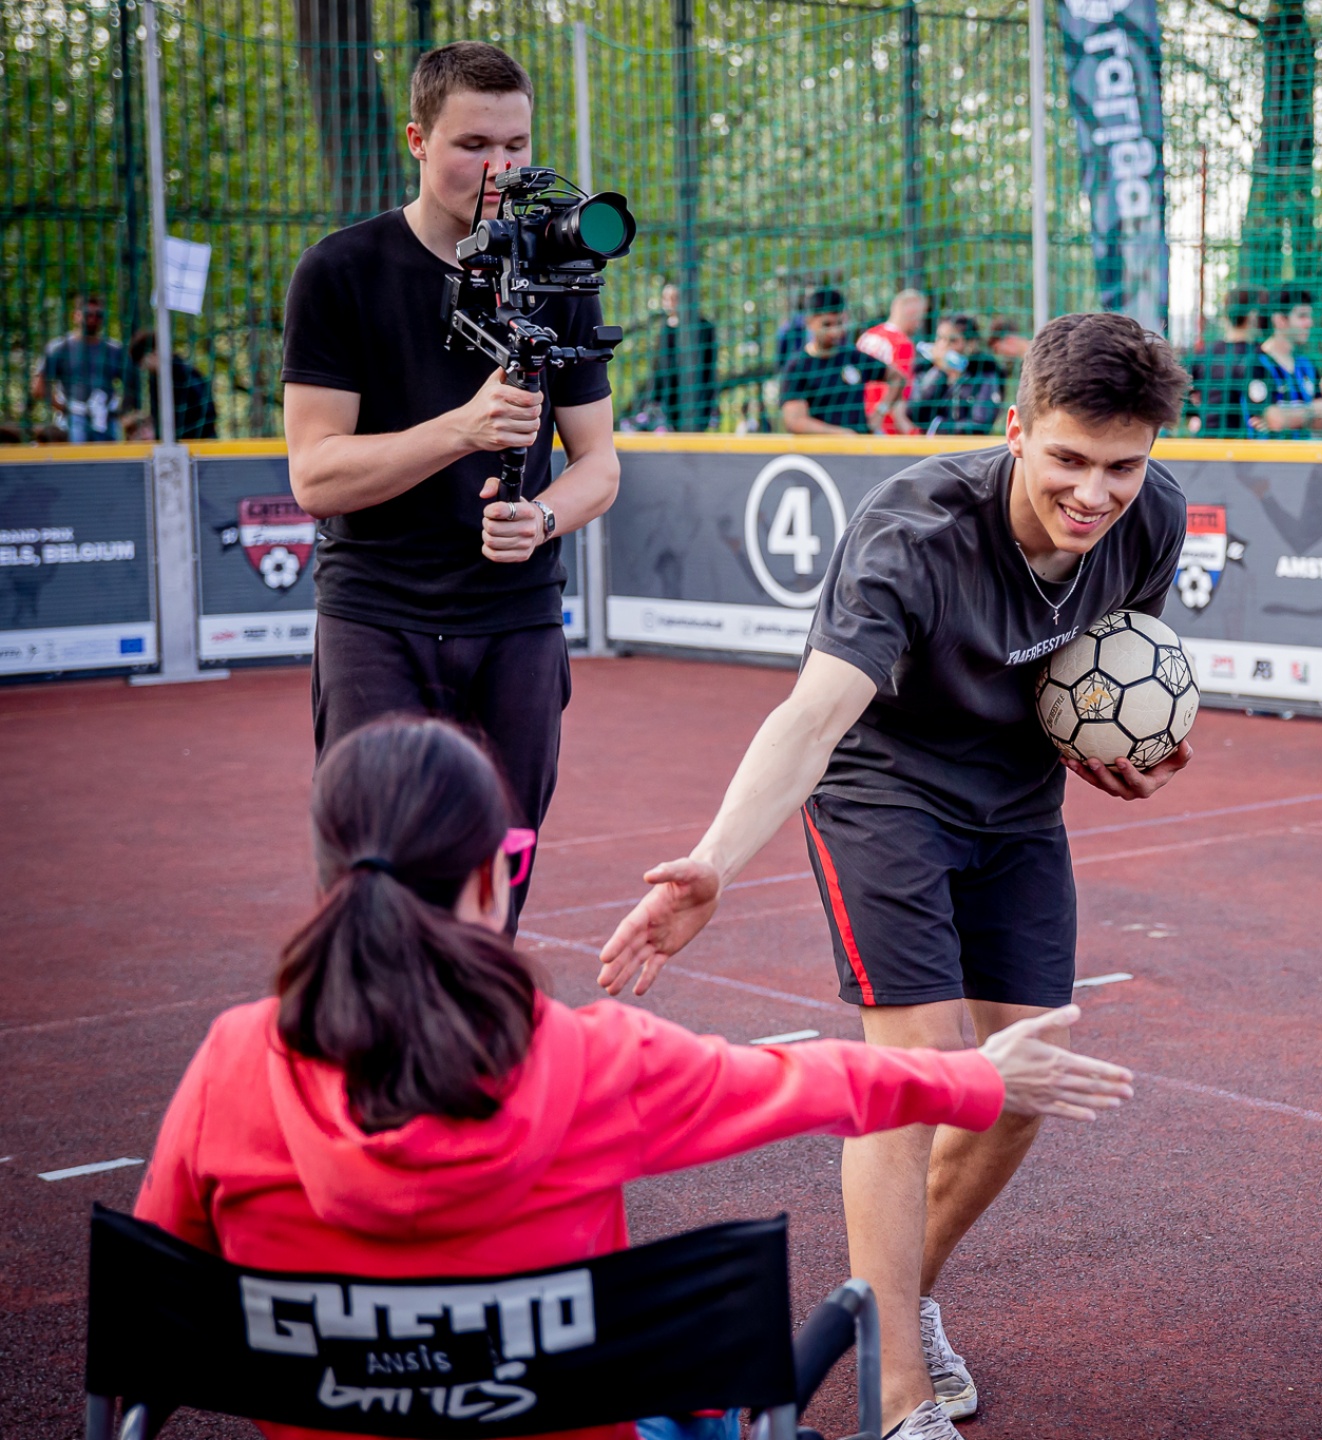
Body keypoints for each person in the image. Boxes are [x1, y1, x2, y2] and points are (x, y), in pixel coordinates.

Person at [135, 715, 1134, 1440]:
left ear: (332, 879)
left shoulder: (232, 1061)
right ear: (490, 880)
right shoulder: (590, 1061)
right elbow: (811, 1080)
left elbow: (151, 1313)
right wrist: (977, 1078)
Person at [597, 314, 1192, 1440]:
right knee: (918, 1070)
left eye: (1122, 466)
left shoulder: (1150, 517)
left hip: (1017, 798)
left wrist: (1122, 748)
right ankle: (896, 1397)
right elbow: (811, 718)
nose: (1094, 493)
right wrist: (715, 863)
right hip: (885, 786)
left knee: (1025, 1076)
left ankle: (898, 1300)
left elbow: (1100, 670)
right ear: (1015, 429)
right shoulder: (913, 532)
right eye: (1068, 459)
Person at [281, 41, 620, 925]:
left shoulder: (561, 270)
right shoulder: (341, 270)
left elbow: (599, 465)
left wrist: (542, 519)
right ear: (418, 140)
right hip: (377, 613)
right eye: (473, 145)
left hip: (515, 617)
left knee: (500, 877)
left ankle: (478, 1016)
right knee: (375, 876)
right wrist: (460, 431)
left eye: (516, 145)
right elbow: (316, 475)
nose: (499, 169)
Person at [775, 287, 904, 436]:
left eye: (839, 323)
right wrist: (841, 434)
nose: (835, 331)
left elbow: (897, 377)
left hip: (861, 444)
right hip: (823, 448)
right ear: (809, 322)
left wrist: (880, 411)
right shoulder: (797, 367)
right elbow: (795, 421)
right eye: (827, 325)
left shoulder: (854, 357)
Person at [32, 291, 135, 443]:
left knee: (111, 456)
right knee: (75, 454)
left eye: (99, 315)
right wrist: (65, 408)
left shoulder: (115, 350)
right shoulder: (60, 348)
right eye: (88, 314)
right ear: (76, 315)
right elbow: (38, 387)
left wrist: (121, 412)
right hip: (73, 419)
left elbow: (131, 384)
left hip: (107, 418)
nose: (93, 319)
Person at [1245, 286, 1322, 437]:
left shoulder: (1307, 366)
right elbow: (1275, 420)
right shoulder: (1256, 364)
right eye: (1302, 316)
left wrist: (1287, 417)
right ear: (1280, 320)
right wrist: (1314, 410)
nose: (1309, 323)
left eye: (1309, 316)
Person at [910, 314, 1006, 436]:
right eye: (940, 339)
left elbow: (980, 423)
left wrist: (936, 428)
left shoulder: (985, 373)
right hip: (930, 446)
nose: (943, 346)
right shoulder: (926, 370)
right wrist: (940, 372)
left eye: (953, 341)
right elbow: (914, 413)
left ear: (970, 344)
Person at [1187, 287, 1263, 437]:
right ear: (1252, 315)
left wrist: (1195, 415)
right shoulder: (1259, 355)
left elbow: (1184, 392)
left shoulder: (1205, 353)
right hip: (1245, 442)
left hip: (1206, 439)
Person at [644, 281, 718, 433]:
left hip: (697, 396)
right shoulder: (664, 330)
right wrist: (653, 398)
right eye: (666, 298)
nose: (670, 303)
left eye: (675, 298)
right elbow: (658, 367)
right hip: (669, 397)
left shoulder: (704, 327)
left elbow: (710, 366)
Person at [857, 287, 929, 435]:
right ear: (911, 313)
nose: (919, 324)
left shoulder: (867, 336)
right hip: (883, 426)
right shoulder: (901, 343)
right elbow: (898, 395)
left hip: (859, 418)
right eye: (920, 317)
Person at [128, 328, 219, 440]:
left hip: (198, 441)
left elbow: (207, 411)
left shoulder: (185, 374)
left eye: (144, 363)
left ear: (154, 353)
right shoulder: (156, 380)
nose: (144, 369)